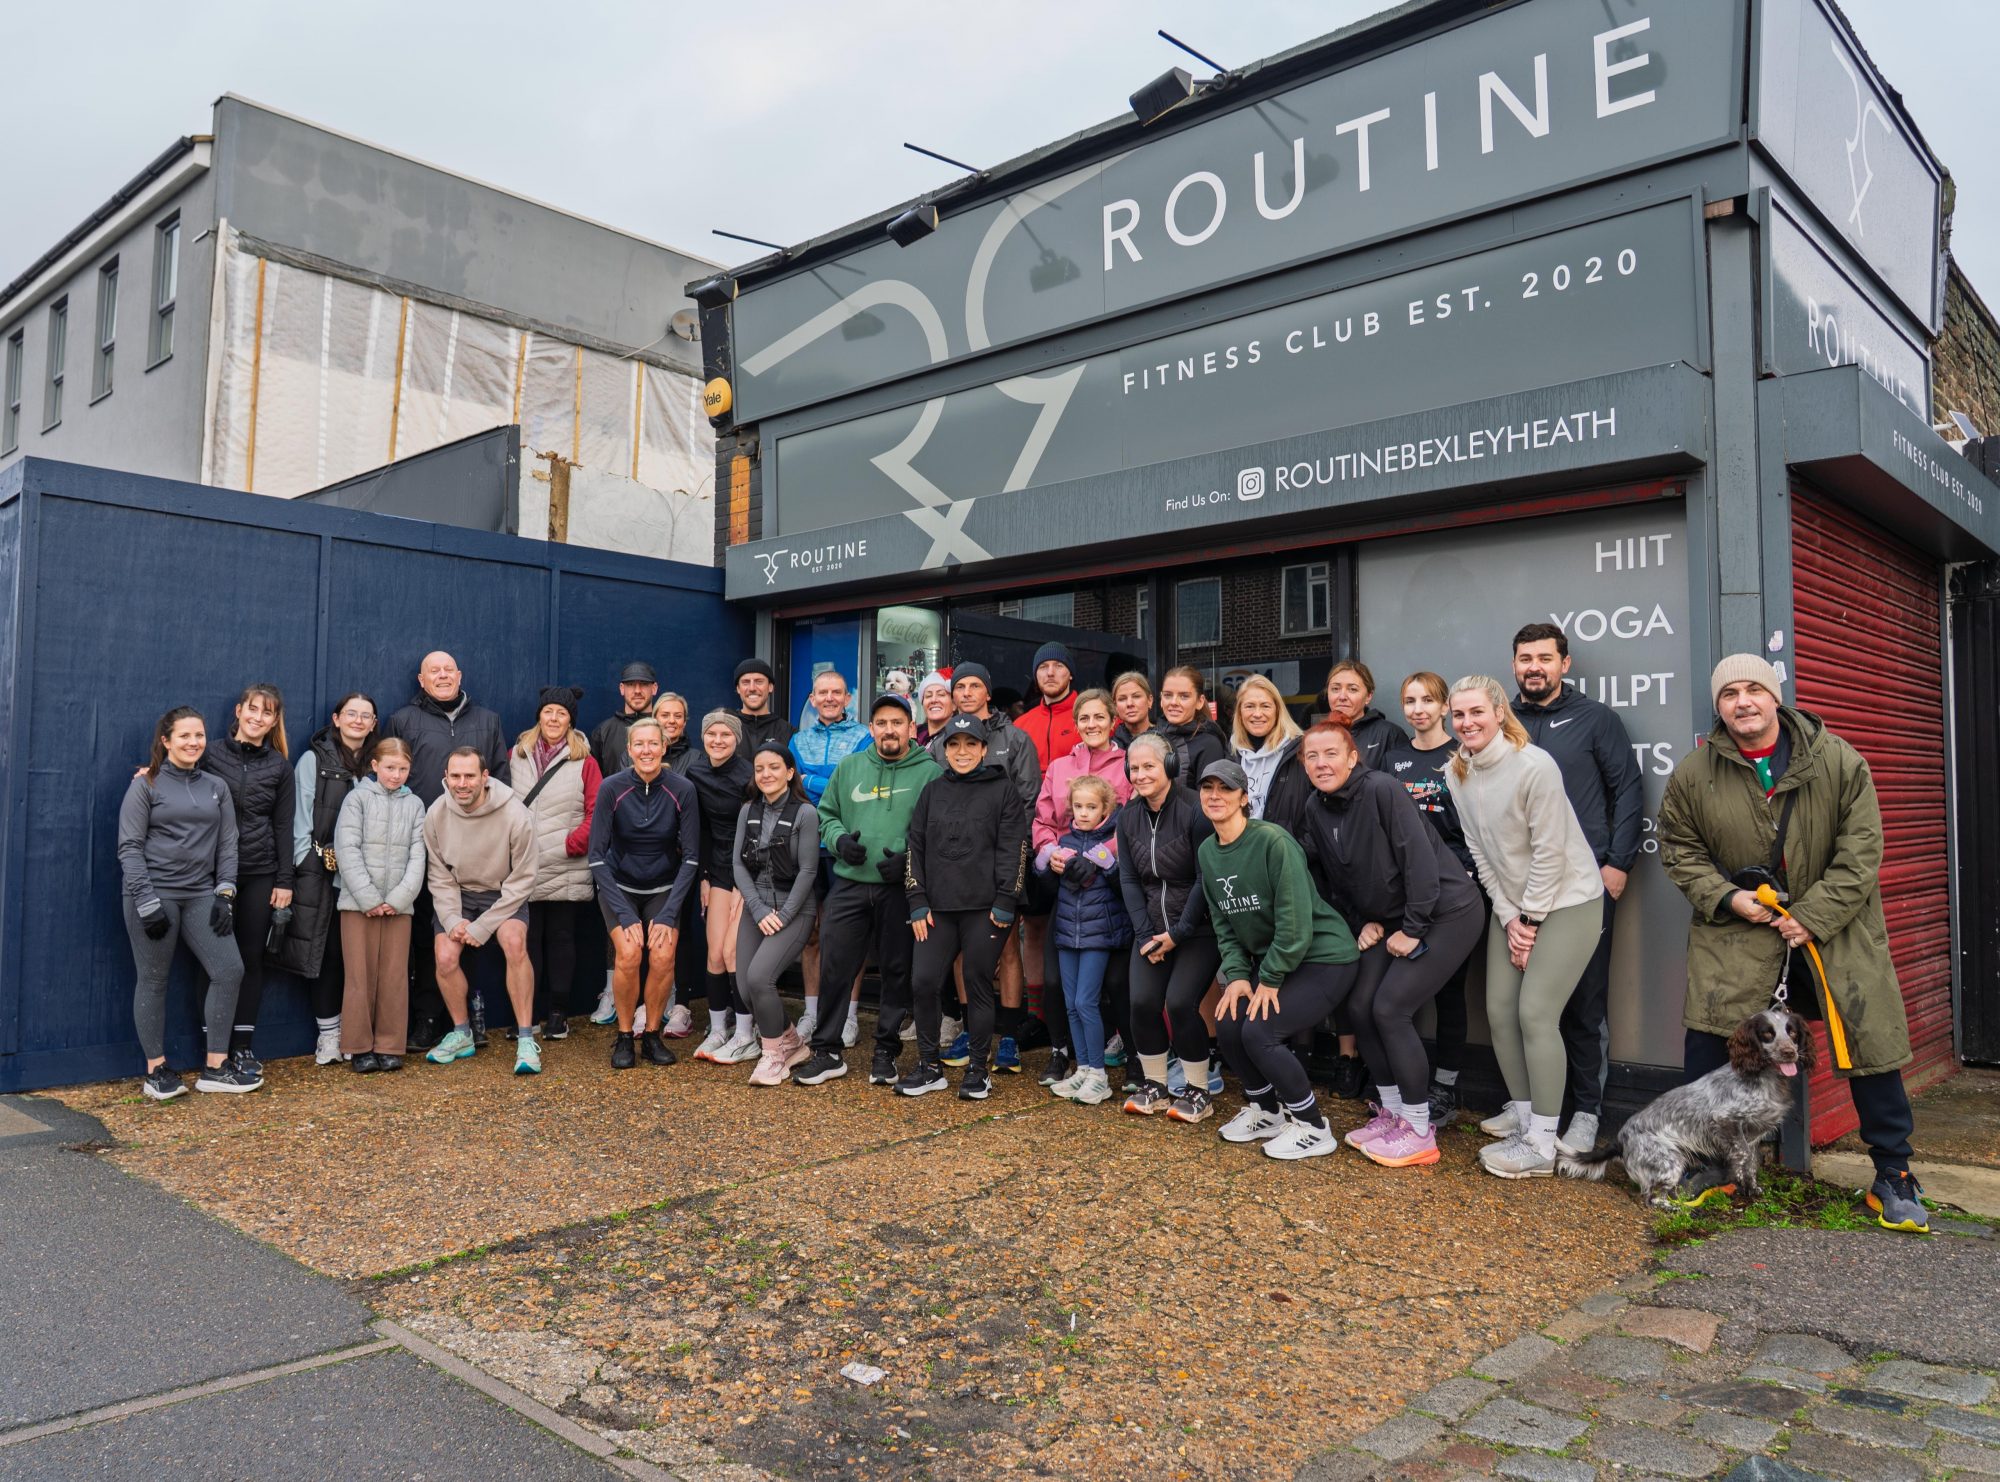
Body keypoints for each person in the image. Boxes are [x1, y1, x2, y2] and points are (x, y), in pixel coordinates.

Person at [1658, 655, 1929, 1232]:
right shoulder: (1694, 773)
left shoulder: (1838, 760)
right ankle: (1712, 1162)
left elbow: (1862, 850)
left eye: (1754, 689)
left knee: (1868, 1040)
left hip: (1835, 927)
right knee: (1712, 1036)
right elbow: (1679, 850)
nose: (1743, 702)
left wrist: (1811, 915)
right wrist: (1728, 898)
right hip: (1740, 929)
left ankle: (1894, 1172)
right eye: (1729, 693)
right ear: (1719, 706)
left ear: (1775, 697)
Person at [1297, 720, 1485, 1168]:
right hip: (1392, 918)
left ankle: (1419, 1130)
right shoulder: (1315, 806)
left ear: (1352, 757)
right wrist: (1360, 921)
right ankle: (1393, 1112)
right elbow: (1333, 878)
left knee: (1390, 1008)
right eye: (1311, 756)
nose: (1321, 764)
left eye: (1330, 754)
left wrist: (1414, 928)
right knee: (1359, 1006)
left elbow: (1419, 860)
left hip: (1446, 912)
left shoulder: (1382, 789)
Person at [1444, 675, 1604, 1179]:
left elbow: (1550, 853)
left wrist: (1529, 921)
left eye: (1476, 712)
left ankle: (1542, 1144)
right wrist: (1510, 915)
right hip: (1514, 907)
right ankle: (1525, 1112)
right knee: (1498, 1010)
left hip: (1569, 900)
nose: (1467, 722)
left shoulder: (1534, 766)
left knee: (1535, 1014)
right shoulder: (1456, 771)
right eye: (1459, 714)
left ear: (1499, 712)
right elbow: (1479, 852)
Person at [1509, 622, 1644, 1159]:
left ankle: (1586, 1112)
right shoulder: (1503, 721)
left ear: (1565, 664)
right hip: (1522, 887)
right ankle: (1530, 1109)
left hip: (1585, 885)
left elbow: (1627, 789)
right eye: (1525, 658)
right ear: (1514, 665)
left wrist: (1618, 863)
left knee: (1585, 1001)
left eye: (1544, 658)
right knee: (1522, 1001)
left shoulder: (1596, 719)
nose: (1534, 667)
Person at [1196, 760, 1360, 1159]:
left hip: (1324, 958)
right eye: (1207, 788)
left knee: (1260, 1032)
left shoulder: (1273, 842)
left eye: (1225, 788)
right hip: (1277, 962)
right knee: (1229, 1023)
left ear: (1243, 798)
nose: (1215, 796)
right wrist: (1238, 975)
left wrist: (1268, 979)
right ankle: (1267, 1111)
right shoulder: (1207, 851)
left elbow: (1295, 922)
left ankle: (1313, 1126)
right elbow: (1223, 922)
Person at [794, 694, 943, 1085]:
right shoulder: (850, 767)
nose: (889, 730)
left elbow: (937, 832)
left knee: (896, 970)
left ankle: (886, 1052)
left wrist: (908, 861)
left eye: (897, 722)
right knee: (835, 966)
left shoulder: (930, 773)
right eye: (881, 723)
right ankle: (827, 1051)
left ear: (911, 728)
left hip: (899, 889)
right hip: (850, 883)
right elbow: (827, 814)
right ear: (871, 728)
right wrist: (840, 841)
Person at [118, 707, 258, 1099]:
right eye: (184, 736)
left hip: (201, 894)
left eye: (199, 735)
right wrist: (147, 903)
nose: (193, 742)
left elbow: (228, 844)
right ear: (166, 741)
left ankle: (215, 1068)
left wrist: (225, 893)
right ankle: (156, 1071)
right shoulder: (146, 785)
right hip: (153, 895)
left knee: (229, 970)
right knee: (154, 979)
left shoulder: (216, 786)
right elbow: (129, 847)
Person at [382, 651, 509, 1048]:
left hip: (477, 844)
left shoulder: (487, 720)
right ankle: (427, 1017)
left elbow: (501, 780)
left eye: (448, 670)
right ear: (421, 680)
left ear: (459, 675)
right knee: (429, 932)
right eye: (433, 671)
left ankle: (470, 1016)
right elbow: (393, 777)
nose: (441, 676)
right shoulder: (403, 720)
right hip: (423, 842)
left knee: (472, 930)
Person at [902, 713, 1028, 1100]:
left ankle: (978, 1070)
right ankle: (929, 1067)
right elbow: (915, 845)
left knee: (977, 982)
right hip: (936, 909)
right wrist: (917, 899)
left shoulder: (1003, 790)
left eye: (970, 744)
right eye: (954, 744)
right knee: (923, 981)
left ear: (984, 749)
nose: (962, 751)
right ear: (944, 749)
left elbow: (1014, 847)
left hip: (985, 908)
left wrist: (1006, 900)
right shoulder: (932, 791)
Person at [930, 662, 1041, 1071]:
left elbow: (1028, 801)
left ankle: (1008, 1035)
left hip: (1001, 861)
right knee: (960, 949)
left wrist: (1012, 855)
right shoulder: (938, 743)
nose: (966, 692)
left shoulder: (1015, 739)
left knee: (1006, 946)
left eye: (975, 685)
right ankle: (969, 1031)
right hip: (954, 867)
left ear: (987, 692)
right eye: (960, 686)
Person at [1383, 671, 1479, 1127]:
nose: (1418, 709)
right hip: (1406, 892)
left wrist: (1468, 869)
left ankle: (1444, 1086)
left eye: (1427, 700)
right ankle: (1407, 1085)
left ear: (1444, 708)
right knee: (1405, 991)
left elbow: (1479, 824)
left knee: (1450, 991)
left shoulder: (1463, 756)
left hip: (1454, 891)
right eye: (1410, 701)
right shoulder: (1393, 760)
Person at [1115, 734, 1221, 1121]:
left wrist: (1177, 933)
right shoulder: (1127, 817)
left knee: (1179, 1003)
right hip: (1151, 928)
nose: (1140, 774)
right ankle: (1155, 1085)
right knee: (1141, 1003)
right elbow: (1129, 879)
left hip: (1197, 929)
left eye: (1149, 766)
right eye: (1134, 768)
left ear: (1171, 767)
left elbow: (1204, 877)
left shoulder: (1195, 810)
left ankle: (1199, 1090)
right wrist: (1145, 935)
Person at [194, 683, 295, 1079]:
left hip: (258, 872)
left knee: (251, 959)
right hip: (211, 873)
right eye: (252, 709)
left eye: (267, 713)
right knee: (213, 960)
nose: (258, 717)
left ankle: (241, 1047)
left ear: (274, 721)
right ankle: (213, 1049)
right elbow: (177, 780)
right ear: (239, 711)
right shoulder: (210, 754)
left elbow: (284, 826)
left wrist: (284, 880)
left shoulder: (279, 767)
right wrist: (149, 774)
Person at [589, 717, 701, 1069]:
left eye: (654, 743)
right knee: (628, 954)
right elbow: (596, 857)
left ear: (664, 747)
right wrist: (625, 915)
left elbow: (692, 857)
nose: (647, 750)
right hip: (620, 887)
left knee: (663, 955)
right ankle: (625, 1035)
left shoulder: (683, 789)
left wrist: (668, 914)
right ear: (629, 749)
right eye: (639, 744)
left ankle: (652, 1035)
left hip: (663, 888)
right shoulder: (612, 787)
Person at [271, 691, 376, 1067]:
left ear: (374, 724)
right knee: (326, 955)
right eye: (351, 713)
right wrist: (306, 863)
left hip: (366, 876)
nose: (358, 721)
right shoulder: (313, 760)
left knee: (357, 957)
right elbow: (299, 818)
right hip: (321, 873)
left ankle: (354, 1034)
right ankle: (329, 1035)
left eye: (365, 715)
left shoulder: (378, 763)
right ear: (336, 718)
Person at [421, 748, 540, 1074]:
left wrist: (483, 926)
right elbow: (439, 876)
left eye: (470, 776)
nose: (462, 784)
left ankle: (526, 1039)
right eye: (455, 776)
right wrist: (452, 920)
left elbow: (523, 880)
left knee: (514, 943)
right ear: (446, 777)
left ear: (485, 777)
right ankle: (462, 1034)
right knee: (445, 956)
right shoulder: (436, 813)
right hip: (458, 894)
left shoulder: (515, 814)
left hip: (503, 894)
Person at [508, 686, 600, 1043]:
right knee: (527, 939)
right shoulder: (516, 755)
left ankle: (558, 1014)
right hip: (524, 864)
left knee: (562, 938)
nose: (554, 718)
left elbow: (596, 812)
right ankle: (527, 1015)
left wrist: (572, 844)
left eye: (562, 713)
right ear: (539, 715)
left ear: (570, 720)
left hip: (565, 864)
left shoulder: (585, 761)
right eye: (549, 711)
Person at [333, 737, 427, 1071]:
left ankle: (389, 1045)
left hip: (399, 907)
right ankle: (359, 1047)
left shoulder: (415, 805)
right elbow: (347, 849)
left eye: (403, 769)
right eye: (390, 768)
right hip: (358, 905)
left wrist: (399, 899)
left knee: (394, 976)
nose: (396, 775)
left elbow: (418, 855)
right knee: (360, 976)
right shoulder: (357, 799)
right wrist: (369, 898)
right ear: (375, 766)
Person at [1039, 775, 1131, 1105]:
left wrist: (1108, 864)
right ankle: (1083, 1069)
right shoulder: (1065, 840)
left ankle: (1099, 1076)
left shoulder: (1113, 841)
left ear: (1106, 809)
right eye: (1078, 806)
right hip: (1067, 932)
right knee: (1070, 1004)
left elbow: (1124, 887)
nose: (1083, 812)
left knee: (1085, 1002)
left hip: (1098, 935)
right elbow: (1047, 888)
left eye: (1091, 807)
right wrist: (1046, 864)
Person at [732, 743, 820, 1086]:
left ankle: (773, 1056)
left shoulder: (805, 813)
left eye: (774, 767)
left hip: (793, 909)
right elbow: (738, 864)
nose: (766, 774)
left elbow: (808, 871)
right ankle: (792, 1041)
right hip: (756, 906)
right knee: (745, 987)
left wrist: (783, 916)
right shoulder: (747, 810)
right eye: (759, 769)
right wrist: (756, 909)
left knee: (760, 979)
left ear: (789, 772)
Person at [690, 711, 758, 1063]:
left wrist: (743, 886)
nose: (718, 740)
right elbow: (699, 828)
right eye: (711, 734)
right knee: (715, 953)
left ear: (737, 739)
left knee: (734, 953)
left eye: (725, 735)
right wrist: (703, 876)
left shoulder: (750, 776)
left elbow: (758, 831)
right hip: (716, 870)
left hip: (749, 872)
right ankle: (719, 1029)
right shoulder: (695, 773)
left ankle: (746, 1034)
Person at [1231, 675, 1309, 830]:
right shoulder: (1230, 753)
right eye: (1249, 706)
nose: (1257, 713)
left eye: (1265, 706)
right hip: (1241, 844)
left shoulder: (1301, 750)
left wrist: (1297, 844)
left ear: (1278, 711)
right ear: (1239, 712)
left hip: (1286, 844)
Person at [791, 670, 873, 808]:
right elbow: (792, 786)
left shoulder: (864, 736)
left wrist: (809, 781)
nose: (829, 698)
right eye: (823, 692)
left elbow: (857, 788)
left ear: (847, 699)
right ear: (813, 699)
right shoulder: (798, 741)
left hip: (847, 818)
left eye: (836, 692)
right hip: (807, 819)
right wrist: (836, 786)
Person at [1323, 659, 1408, 769]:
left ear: (1368, 696)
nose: (1342, 696)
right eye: (1335, 689)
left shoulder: (1389, 734)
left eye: (1352, 689)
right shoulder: (1318, 735)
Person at [1016, 641, 1082, 771]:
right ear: (1036, 676)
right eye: (1043, 667)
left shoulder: (1094, 718)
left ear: (1070, 674)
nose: (1050, 673)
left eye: (1058, 665)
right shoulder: (1019, 726)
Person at [1156, 666, 1228, 780]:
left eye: (1184, 696)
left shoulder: (1209, 745)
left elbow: (1209, 791)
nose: (1174, 702)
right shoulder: (1152, 736)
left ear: (1200, 701)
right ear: (1161, 699)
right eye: (1168, 695)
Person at [590, 662, 659, 777]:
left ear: (654, 688)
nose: (637, 691)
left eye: (644, 684)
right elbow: (594, 781)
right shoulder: (603, 732)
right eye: (631, 684)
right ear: (622, 689)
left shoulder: (664, 728)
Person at [732, 658, 794, 753]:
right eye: (746, 682)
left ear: (770, 687)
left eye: (759, 681)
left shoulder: (787, 731)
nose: (752, 688)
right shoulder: (726, 727)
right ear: (738, 689)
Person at [1110, 672, 1156, 748]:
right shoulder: (1108, 747)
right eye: (1122, 699)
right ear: (1115, 706)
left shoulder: (1167, 740)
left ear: (1149, 700)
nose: (1129, 703)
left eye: (1136, 696)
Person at [915, 671, 955, 748]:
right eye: (928, 696)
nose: (933, 700)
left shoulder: (959, 736)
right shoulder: (913, 735)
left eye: (941, 694)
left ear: (954, 704)